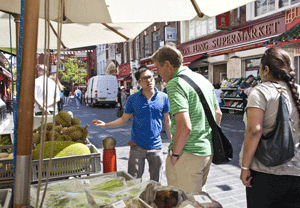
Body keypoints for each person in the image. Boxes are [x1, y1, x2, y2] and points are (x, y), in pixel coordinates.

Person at [152, 45, 222, 193]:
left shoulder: (175, 83)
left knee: (183, 202)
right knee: (196, 200)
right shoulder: (202, 79)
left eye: (157, 67)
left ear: (167, 64)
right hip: (206, 151)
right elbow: (218, 114)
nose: (157, 73)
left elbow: (185, 126)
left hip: (188, 153)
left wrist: (175, 154)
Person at [240, 48, 300, 208]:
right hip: (296, 171)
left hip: (264, 172)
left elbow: (254, 131)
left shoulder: (259, 92)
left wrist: (245, 167)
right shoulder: (298, 91)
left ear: (266, 70)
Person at [92, 66, 172, 182]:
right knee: (133, 181)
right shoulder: (133, 99)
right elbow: (124, 119)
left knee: (156, 183)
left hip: (156, 146)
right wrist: (105, 125)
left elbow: (167, 121)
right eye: (145, 79)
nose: (149, 80)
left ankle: (150, 200)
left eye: (150, 77)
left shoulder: (163, 97)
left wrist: (172, 142)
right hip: (137, 146)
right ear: (139, 82)